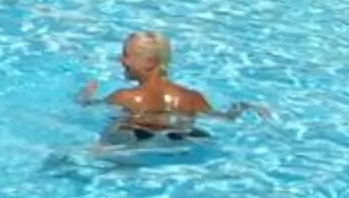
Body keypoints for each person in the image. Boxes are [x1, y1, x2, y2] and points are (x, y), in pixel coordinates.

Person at [81, 31, 262, 136]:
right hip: (182, 138)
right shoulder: (192, 98)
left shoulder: (126, 98)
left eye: (126, 55)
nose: (121, 61)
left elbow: (88, 108)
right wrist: (244, 106)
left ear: (149, 62)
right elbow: (225, 118)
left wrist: (85, 96)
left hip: (134, 140)